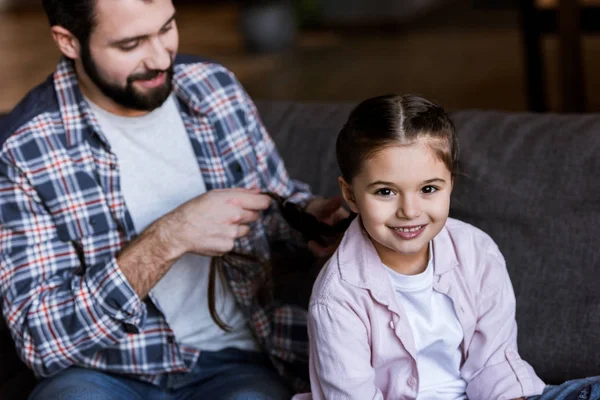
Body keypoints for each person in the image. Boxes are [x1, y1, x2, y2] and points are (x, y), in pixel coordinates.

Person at [0, 0, 346, 399]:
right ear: (69, 42)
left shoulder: (213, 87)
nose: (162, 58)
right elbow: (41, 342)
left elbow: (271, 201)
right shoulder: (25, 149)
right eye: (131, 45)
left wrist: (309, 215)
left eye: (166, 29)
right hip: (104, 370)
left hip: (235, 362)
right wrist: (167, 238)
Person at [297, 94, 600, 400]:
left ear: (450, 184)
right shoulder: (337, 298)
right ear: (350, 195)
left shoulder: (478, 253)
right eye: (386, 191)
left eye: (429, 189)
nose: (410, 210)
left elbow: (495, 364)